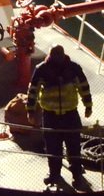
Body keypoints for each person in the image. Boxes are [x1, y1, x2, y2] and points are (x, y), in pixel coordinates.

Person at [26, 44, 93, 187]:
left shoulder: (73, 68)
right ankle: (54, 175)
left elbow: (84, 87)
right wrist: (30, 111)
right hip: (50, 116)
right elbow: (33, 91)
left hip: (70, 114)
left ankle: (77, 174)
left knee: (74, 146)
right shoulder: (42, 70)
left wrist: (88, 105)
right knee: (52, 148)